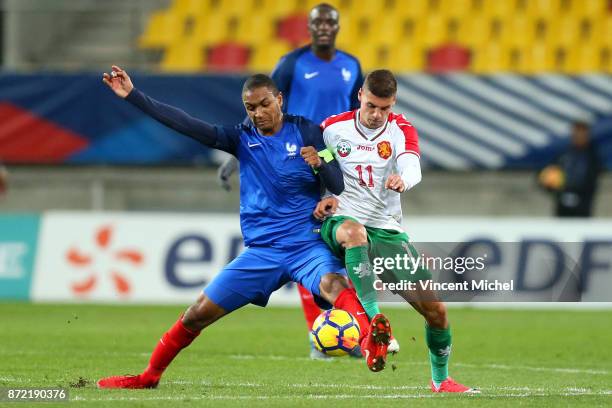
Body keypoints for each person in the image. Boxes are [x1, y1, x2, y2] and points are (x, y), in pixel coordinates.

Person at [97, 66, 391, 389]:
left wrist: (320, 163)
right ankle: (148, 377)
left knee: (334, 283)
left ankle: (369, 343)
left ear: (279, 99)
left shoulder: (308, 132)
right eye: (251, 107)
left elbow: (337, 183)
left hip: (305, 244)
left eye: (264, 104)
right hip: (262, 253)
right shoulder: (240, 138)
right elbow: (187, 125)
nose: (258, 113)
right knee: (196, 313)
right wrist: (133, 96)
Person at [217, 3, 375, 359]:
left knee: (338, 243)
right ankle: (321, 332)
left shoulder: (352, 65)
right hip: (295, 159)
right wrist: (233, 158)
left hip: (332, 157)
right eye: (316, 22)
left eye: (329, 22)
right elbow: (261, 111)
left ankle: (348, 327)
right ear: (308, 27)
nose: (323, 27)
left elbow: (359, 114)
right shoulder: (291, 64)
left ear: (337, 27)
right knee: (310, 242)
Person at [313, 69, 477, 392]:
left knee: (436, 311)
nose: (377, 115)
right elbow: (318, 169)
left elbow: (411, 164)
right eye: (371, 105)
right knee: (355, 232)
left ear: (394, 103)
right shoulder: (332, 129)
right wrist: (323, 200)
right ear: (360, 95)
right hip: (342, 223)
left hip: (387, 230)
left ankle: (441, 380)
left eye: (384, 108)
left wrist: (404, 179)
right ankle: (375, 322)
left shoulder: (401, 130)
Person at [538, 120, 601, 217]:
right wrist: (550, 185)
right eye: (577, 132)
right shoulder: (563, 155)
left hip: (583, 206)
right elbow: (545, 175)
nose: (579, 136)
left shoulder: (593, 157)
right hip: (562, 205)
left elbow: (591, 181)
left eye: (582, 133)